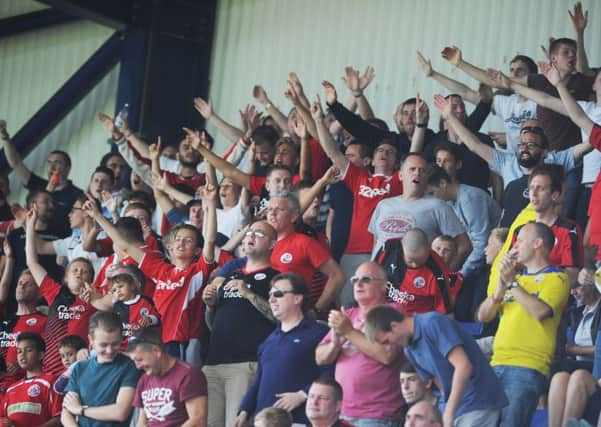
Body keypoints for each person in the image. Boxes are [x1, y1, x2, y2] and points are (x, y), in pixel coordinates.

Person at [85, 185, 218, 365]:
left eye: (188, 240)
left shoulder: (198, 271)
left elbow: (209, 239)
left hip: (180, 340)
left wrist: (209, 204)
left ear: (197, 251)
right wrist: (98, 216)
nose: (181, 243)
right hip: (154, 340)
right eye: (178, 239)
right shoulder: (160, 269)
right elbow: (124, 245)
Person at [311, 90, 404, 306]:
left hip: (384, 252)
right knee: (347, 306)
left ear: (397, 162)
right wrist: (318, 121)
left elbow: (416, 154)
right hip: (353, 251)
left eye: (390, 152)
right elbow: (334, 153)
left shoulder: (400, 180)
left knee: (379, 308)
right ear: (370, 160)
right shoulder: (359, 177)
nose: (384, 153)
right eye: (380, 150)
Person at [478, 222, 571, 426]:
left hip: (527, 367)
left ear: (537, 243)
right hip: (496, 362)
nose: (514, 247)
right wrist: (501, 288)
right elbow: (483, 316)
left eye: (520, 241)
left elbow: (540, 312)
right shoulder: (515, 280)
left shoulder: (558, 277)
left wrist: (512, 283)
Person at [365, 306, 508, 427]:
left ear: (394, 327)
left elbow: (464, 366)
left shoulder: (432, 323)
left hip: (478, 401)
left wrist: (449, 412)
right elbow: (439, 385)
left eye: (386, 341)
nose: (388, 347)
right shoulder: (409, 349)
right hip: (456, 406)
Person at [202, 221, 280, 427]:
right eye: (249, 232)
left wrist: (249, 294)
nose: (251, 236)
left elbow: (279, 317)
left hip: (245, 363)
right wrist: (210, 306)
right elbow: (213, 324)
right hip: (213, 362)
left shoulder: (276, 278)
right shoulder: (230, 276)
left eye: (259, 233)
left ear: (273, 244)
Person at [236, 273, 333, 426]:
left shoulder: (318, 332)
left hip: (298, 420)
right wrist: (244, 410)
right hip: (263, 421)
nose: (271, 299)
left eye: (278, 294)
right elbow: (259, 381)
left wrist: (303, 395)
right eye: (270, 295)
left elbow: (331, 372)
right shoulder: (268, 340)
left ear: (297, 298)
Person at [316, 262, 403, 425]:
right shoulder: (348, 314)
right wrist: (335, 345)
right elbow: (319, 357)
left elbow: (387, 355)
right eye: (355, 279)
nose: (358, 283)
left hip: (377, 415)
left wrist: (349, 332)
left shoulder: (392, 312)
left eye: (366, 279)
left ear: (384, 286)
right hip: (342, 413)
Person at [417, 51, 538, 153]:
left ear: (532, 75)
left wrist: (510, 139)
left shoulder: (540, 102)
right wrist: (433, 74)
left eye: (520, 70)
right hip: (514, 166)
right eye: (512, 70)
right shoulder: (506, 102)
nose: (514, 74)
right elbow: (465, 92)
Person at [368, 153, 471, 271]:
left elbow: (464, 246)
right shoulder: (384, 205)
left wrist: (445, 277)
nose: (417, 173)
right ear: (401, 175)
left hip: (416, 282)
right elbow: (377, 242)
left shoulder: (439, 206)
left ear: (426, 177)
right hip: (380, 278)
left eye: (422, 170)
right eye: (412, 169)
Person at [25, 208, 96, 376]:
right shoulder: (55, 293)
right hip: (51, 371)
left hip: (82, 370)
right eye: (75, 270)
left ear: (91, 279)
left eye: (84, 271)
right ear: (65, 278)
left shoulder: (97, 298)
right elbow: (32, 263)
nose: (79, 273)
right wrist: (29, 227)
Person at [266, 192, 344, 316]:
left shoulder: (304, 243)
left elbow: (337, 276)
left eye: (279, 209)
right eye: (269, 209)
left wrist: (317, 310)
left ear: (293, 217)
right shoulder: (262, 243)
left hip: (295, 315)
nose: (272, 213)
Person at [1, 122, 83, 239]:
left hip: (58, 243)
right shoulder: (38, 184)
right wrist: (4, 137)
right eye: (49, 163)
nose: (52, 167)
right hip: (33, 238)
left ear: (68, 168)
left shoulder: (76, 194)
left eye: (57, 163)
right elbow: (16, 163)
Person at [61, 312, 140, 427]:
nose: (109, 350)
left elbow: (120, 412)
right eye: (103, 345)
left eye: (115, 344)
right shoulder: (80, 368)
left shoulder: (129, 366)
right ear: (91, 340)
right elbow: (67, 411)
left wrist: (81, 410)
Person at [427, 165, 501, 279]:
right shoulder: (451, 201)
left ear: (442, 183)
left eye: (431, 193)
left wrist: (461, 276)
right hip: (477, 261)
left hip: (490, 261)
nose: (431, 200)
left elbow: (481, 242)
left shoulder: (469, 199)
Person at [128, 327, 208, 427]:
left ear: (156, 351)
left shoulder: (188, 375)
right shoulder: (144, 380)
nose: (137, 366)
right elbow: (141, 423)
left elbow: (198, 421)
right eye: (134, 361)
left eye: (139, 359)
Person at [376, 229, 461, 315]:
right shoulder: (389, 249)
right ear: (402, 249)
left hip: (417, 321)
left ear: (428, 249)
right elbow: (370, 278)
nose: (415, 265)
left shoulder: (437, 269)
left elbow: (445, 311)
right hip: (384, 313)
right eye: (410, 260)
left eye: (420, 260)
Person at [0, 268, 47, 390]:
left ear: (40, 293)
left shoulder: (45, 321)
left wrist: (22, 363)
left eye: (28, 284)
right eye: (20, 283)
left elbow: (47, 355)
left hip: (21, 386)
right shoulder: (4, 321)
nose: (22, 287)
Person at [0, 332, 61, 427]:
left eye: (28, 350)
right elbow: (3, 418)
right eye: (19, 351)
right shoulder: (11, 389)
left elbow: (60, 418)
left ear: (41, 355)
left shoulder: (52, 381)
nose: (22, 354)